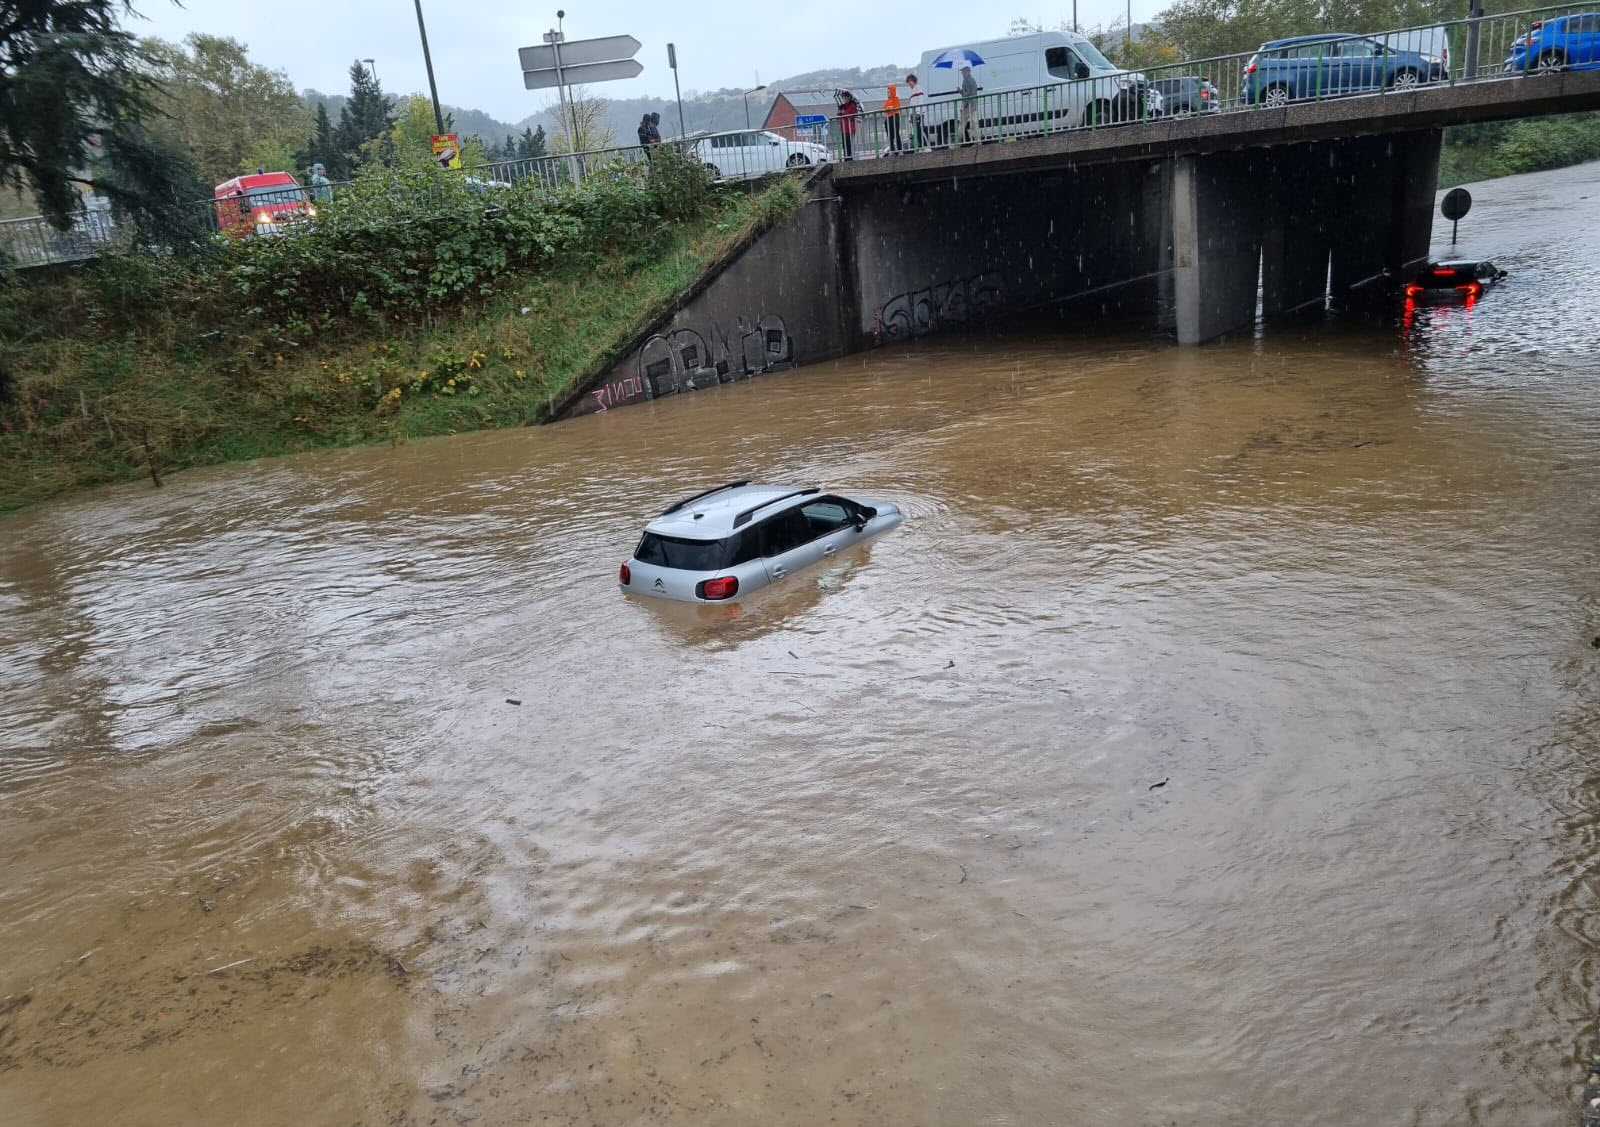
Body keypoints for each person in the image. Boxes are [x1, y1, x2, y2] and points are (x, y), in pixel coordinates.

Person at [959, 65, 980, 145]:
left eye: (963, 72)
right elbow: (969, 93)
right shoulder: (973, 80)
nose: (962, 73)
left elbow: (966, 95)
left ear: (967, 72)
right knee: (975, 123)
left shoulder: (966, 81)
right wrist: (961, 91)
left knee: (962, 124)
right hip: (973, 104)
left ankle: (958, 141)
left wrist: (963, 106)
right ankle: (977, 141)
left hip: (968, 106)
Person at [837, 90, 859, 161]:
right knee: (844, 144)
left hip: (850, 128)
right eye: (843, 98)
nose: (844, 100)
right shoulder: (843, 106)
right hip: (843, 128)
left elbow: (850, 114)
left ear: (849, 98)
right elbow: (839, 115)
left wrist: (843, 112)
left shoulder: (852, 105)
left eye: (845, 98)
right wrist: (840, 111)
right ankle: (846, 157)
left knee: (849, 144)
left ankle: (849, 158)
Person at [905, 73, 926, 150]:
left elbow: (920, 100)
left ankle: (923, 145)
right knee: (916, 131)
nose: (909, 83)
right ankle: (920, 145)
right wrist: (910, 117)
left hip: (918, 113)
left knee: (919, 130)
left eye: (910, 81)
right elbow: (911, 104)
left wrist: (918, 112)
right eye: (908, 82)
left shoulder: (918, 88)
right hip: (913, 113)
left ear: (914, 81)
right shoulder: (912, 91)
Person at [883, 83, 902, 153]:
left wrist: (889, 108)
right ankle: (893, 151)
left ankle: (900, 150)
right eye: (887, 92)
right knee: (890, 136)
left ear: (892, 91)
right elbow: (884, 108)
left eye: (889, 92)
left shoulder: (896, 99)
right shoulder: (887, 101)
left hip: (895, 117)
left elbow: (895, 107)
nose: (888, 93)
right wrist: (889, 108)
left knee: (896, 133)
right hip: (889, 118)